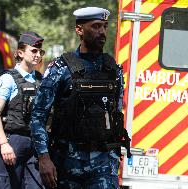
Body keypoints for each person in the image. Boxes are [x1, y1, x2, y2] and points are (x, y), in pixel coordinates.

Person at [31, 7, 131, 189]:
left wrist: (115, 155)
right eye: (96, 26)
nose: (102, 32)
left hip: (103, 165)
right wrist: (44, 157)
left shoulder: (113, 69)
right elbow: (38, 116)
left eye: (104, 27)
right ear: (79, 30)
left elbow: (115, 114)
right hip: (67, 164)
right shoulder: (61, 68)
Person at [0, 31, 45, 189]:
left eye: (41, 51)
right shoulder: (8, 79)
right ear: (20, 53)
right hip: (13, 141)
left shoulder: (41, 80)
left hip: (36, 143)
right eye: (34, 50)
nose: (38, 54)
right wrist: (4, 144)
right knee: (7, 185)